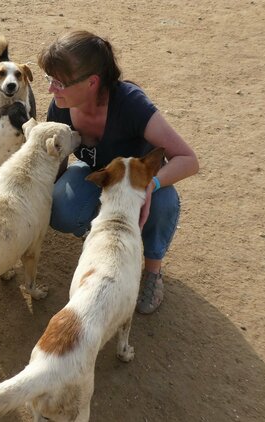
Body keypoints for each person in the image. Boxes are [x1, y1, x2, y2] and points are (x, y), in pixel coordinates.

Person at [37, 30, 199, 314]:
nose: (51, 90)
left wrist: (152, 185)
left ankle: (152, 272)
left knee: (160, 203)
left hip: (135, 183)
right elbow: (56, 160)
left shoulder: (131, 104)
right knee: (61, 204)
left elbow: (188, 159)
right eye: (50, 80)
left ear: (92, 82)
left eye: (59, 82)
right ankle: (105, 243)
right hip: (99, 175)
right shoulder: (62, 106)